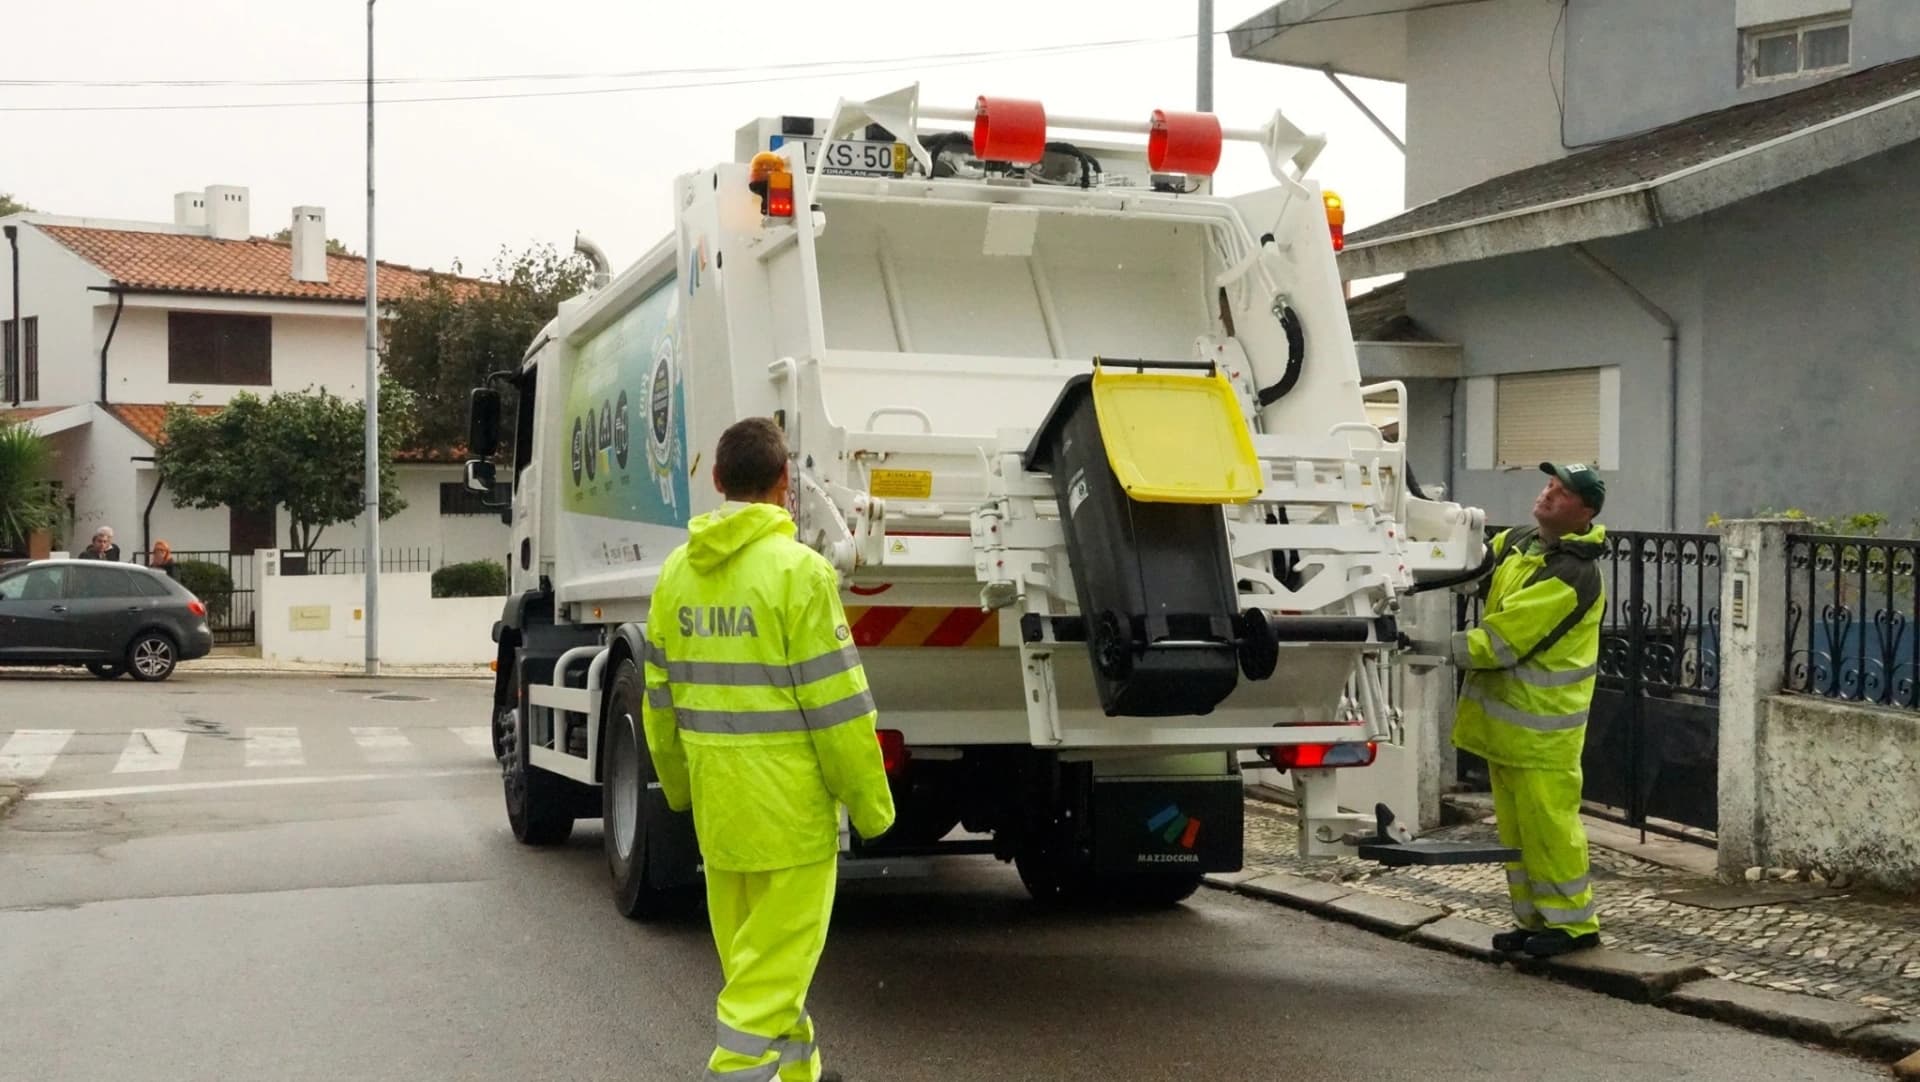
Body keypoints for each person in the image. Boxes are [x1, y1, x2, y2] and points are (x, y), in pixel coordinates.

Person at [641, 417, 895, 1082]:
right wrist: (871, 806)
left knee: (761, 969)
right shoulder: (802, 575)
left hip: (721, 815)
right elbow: (838, 710)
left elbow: (658, 705)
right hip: (790, 820)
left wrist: (679, 788)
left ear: (718, 482)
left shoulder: (675, 577)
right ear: (785, 483)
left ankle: (798, 1075)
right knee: (765, 985)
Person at [1421, 461, 1609, 958]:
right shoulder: (1523, 543)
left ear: (1585, 512)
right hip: (1511, 728)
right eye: (1549, 484)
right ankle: (1534, 922)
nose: (1548, 494)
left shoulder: (1574, 574)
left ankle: (1573, 927)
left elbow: (1502, 643)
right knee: (1520, 833)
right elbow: (1476, 565)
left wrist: (1431, 647)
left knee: (1549, 830)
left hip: (1544, 731)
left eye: (1563, 492)